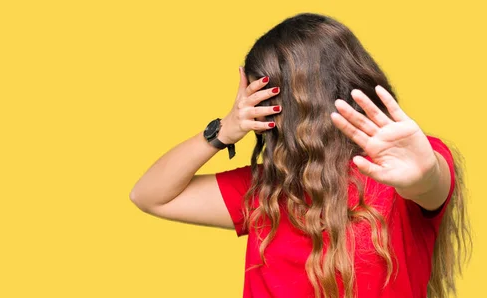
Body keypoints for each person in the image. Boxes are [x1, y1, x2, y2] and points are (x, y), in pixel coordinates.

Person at [129, 13, 471, 298]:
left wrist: (426, 175)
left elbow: (429, 183)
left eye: (264, 101)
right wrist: (223, 131)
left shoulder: (404, 167)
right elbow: (149, 195)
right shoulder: (266, 189)